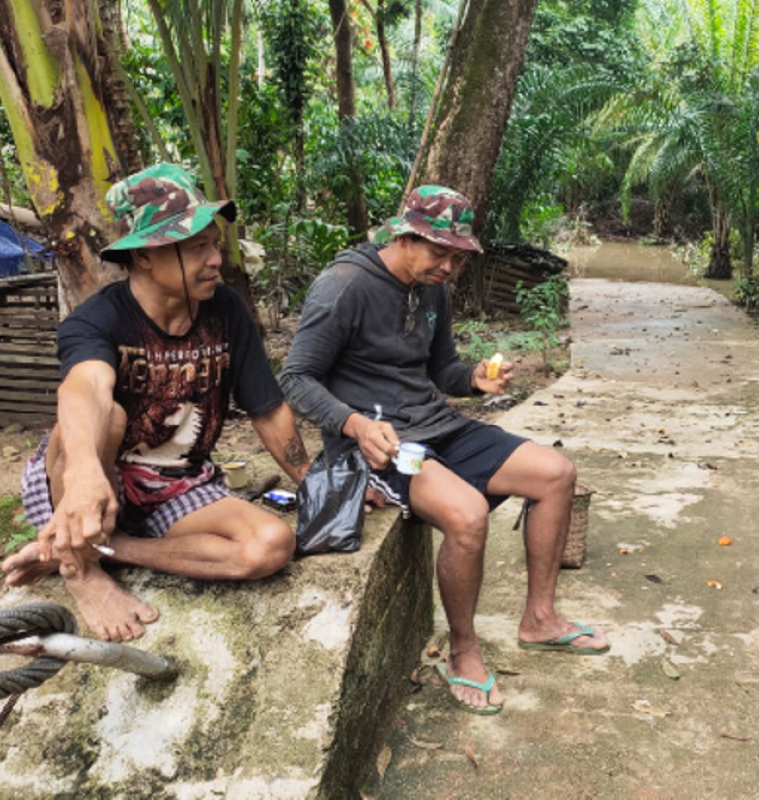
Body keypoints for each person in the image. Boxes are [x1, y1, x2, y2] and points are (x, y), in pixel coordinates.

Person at [280, 185, 608, 716]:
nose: (449, 266)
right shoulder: (343, 286)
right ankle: (463, 650)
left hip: (435, 424)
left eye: (458, 256)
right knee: (468, 515)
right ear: (403, 235)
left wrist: (474, 379)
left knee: (556, 473)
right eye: (439, 252)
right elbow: (295, 378)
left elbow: (440, 373)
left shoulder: (432, 289)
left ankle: (540, 619)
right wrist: (355, 425)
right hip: (380, 444)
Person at [2, 163, 311, 642]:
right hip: (90, 480)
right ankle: (81, 571)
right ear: (145, 255)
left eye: (214, 243)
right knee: (107, 419)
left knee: (269, 545)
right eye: (197, 248)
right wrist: (84, 472)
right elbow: (84, 389)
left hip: (176, 484)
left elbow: (267, 409)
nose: (215, 260)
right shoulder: (97, 320)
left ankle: (105, 549)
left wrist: (313, 483)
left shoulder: (225, 311)